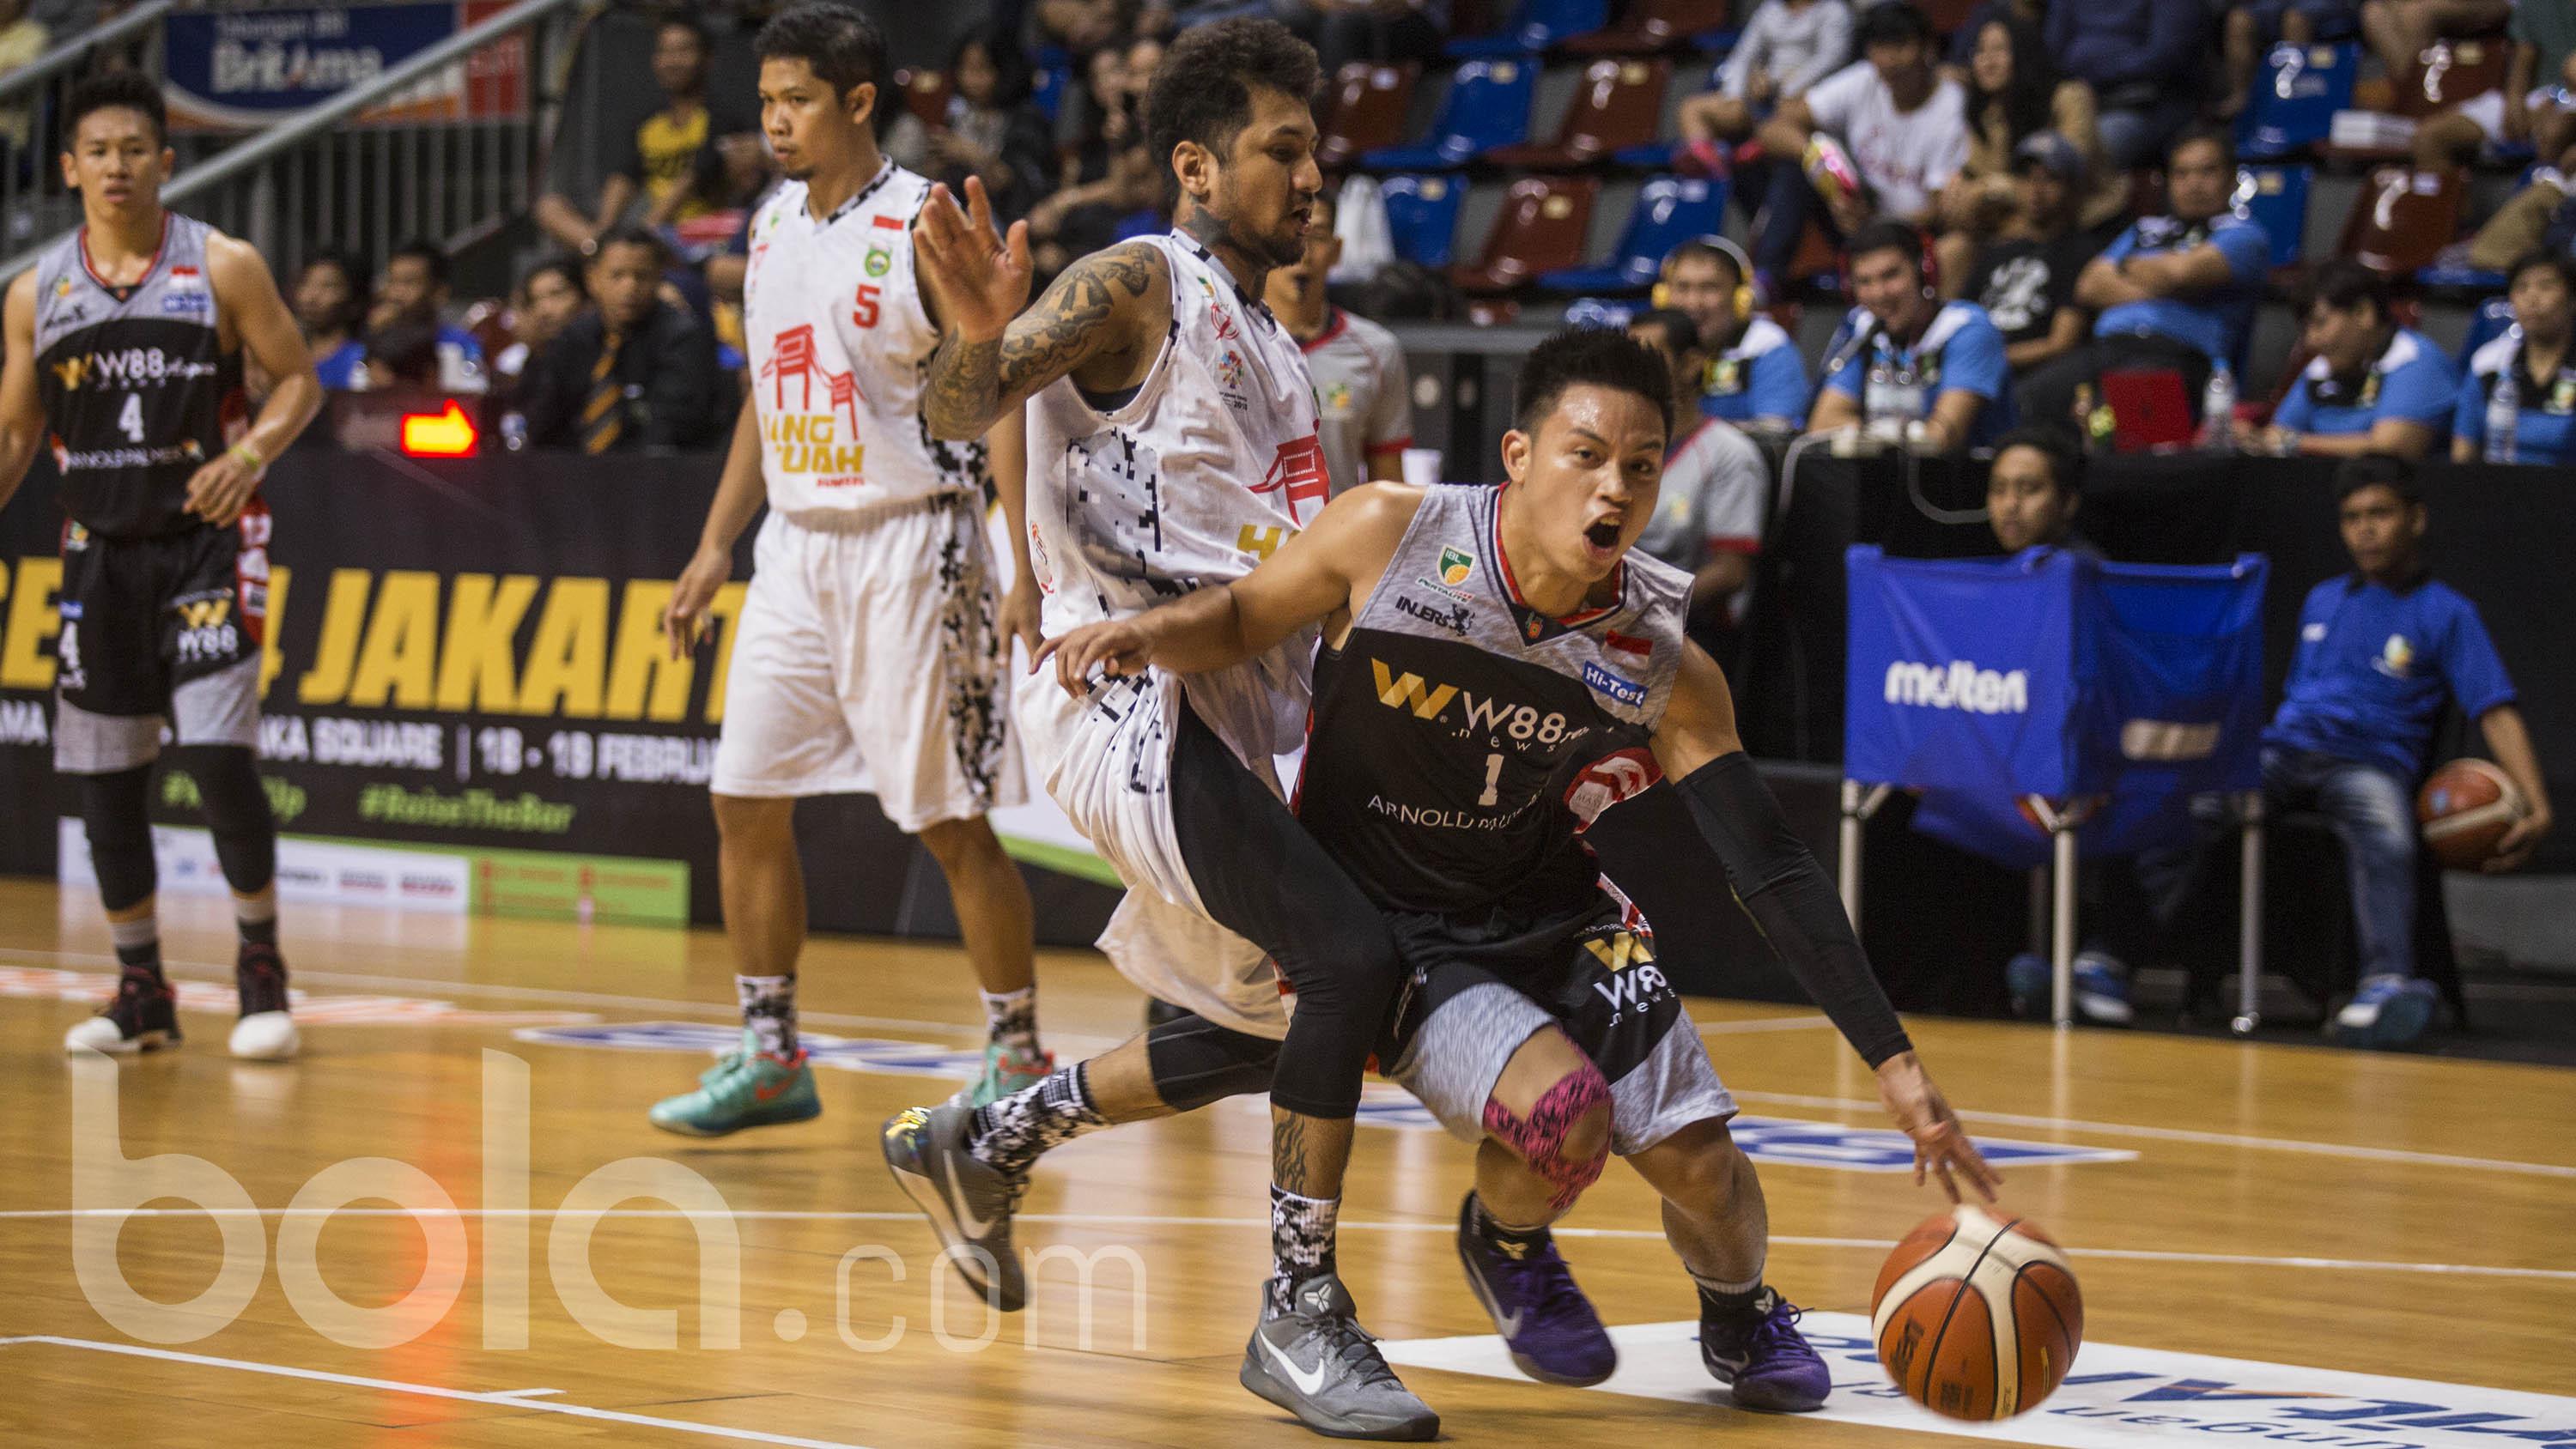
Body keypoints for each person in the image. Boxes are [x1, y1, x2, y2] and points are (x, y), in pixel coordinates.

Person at [907, 327, 2001, 1428]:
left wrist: (1897, 1068)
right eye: (1587, 454)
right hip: (1396, 916)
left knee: (1704, 1163)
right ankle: (1504, 1238)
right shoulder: (1396, 533)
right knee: (1546, 1111)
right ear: (1519, 455)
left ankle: (1738, 1306)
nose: (1614, 486)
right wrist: (1150, 631)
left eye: (1641, 463)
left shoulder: (1661, 651)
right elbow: (1245, 614)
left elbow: (1768, 862)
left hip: (1554, 907)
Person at [899, 17, 1439, 1436]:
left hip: (1236, 701)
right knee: (1351, 956)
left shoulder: (1279, 337)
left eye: (1317, 149)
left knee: (1281, 1025)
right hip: (1119, 689)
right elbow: (959, 405)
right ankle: (1299, 1312)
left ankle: (993, 1132)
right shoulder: (1141, 279)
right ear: (1197, 163)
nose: (1312, 176)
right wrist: (972, 334)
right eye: (1282, 150)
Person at [647, 3, 1048, 1134]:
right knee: (743, 799)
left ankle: (1016, 1048)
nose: (773, 121)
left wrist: (1020, 562)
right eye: (766, 101)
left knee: (949, 819)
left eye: (798, 101)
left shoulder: (925, 222)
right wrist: (715, 543)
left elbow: (997, 384)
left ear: (860, 103)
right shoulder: (769, 225)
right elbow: (765, 403)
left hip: (915, 540)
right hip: (794, 550)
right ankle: (770, 1051)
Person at [0, 71, 324, 1059]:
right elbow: (15, 432)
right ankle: (142, 987)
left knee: (219, 759)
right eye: (97, 151)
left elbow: (300, 379)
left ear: (165, 163)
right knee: (107, 786)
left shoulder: (222, 266)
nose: (116, 166)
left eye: (134, 149)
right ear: (68, 169)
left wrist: (249, 453)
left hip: (205, 545)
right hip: (97, 554)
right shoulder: (35, 290)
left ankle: (260, 966)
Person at [2176, 454, 2552, 1047]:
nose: (2365, 529)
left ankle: (2385, 984)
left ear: (2416, 519)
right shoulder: (2324, 599)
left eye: (2380, 514)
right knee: (2185, 806)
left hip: (2369, 764)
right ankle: (2122, 961)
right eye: (2352, 518)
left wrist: (2535, 801)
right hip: (2286, 753)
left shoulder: (2447, 613)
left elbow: (2494, 706)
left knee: (2387, 832)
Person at [2023, 127, 2269, 433]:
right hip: (2108, 348)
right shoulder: (2144, 228)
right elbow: (2089, 285)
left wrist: (2129, 268)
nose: (2193, 184)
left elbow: (2182, 273)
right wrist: (2170, 284)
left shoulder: (2244, 235)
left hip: (2179, 357)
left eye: (2207, 172)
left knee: (2109, 421)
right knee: (2027, 402)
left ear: (2232, 178)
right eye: (2182, 174)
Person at [1750, 1, 1969, 286]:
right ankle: (1765, 280)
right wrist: (1824, 166)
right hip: (1855, 211)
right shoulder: (1864, 79)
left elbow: (1939, 211)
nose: (1888, 60)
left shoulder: (1950, 105)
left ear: (1928, 49)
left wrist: (1875, 218)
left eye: (1900, 46)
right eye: (1880, 48)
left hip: (1912, 233)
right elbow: (1774, 127)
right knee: (1796, 167)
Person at [536, 15, 759, 257]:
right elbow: (624, 178)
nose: (673, 61)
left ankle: (616, 255)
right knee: (549, 207)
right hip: (652, 235)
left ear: (707, 59)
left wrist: (647, 230)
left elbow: (694, 177)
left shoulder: (722, 118)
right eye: (665, 52)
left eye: (683, 50)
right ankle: (600, 251)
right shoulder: (649, 122)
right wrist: (605, 230)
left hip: (699, 234)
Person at [1933, 14, 2123, 286]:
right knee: (1952, 250)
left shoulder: (2069, 97)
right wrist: (1959, 199)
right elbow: (1976, 190)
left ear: (2023, 53)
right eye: (1980, 51)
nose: (1988, 61)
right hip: (2015, 227)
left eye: (1999, 50)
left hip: (2081, 223)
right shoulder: (1988, 115)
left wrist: (1993, 190)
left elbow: (2066, 175)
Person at [1808, 220, 2016, 452]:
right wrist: (1885, 435)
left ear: (1924, 272)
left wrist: (1866, 434)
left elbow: (1941, 438)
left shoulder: (1968, 328)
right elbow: (1821, 424)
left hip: (1964, 478)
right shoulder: (1864, 329)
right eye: (1864, 281)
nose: (1879, 293)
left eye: (1891, 275)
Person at [519, 227, 726, 452]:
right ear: (593, 279)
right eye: (617, 275)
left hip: (660, 475)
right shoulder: (573, 340)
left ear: (659, 277)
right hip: (572, 476)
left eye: (641, 276)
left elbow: (671, 430)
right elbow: (542, 426)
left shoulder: (682, 338)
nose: (630, 287)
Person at [1625, 310, 1769, 628]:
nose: (1632, 372)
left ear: (1691, 364)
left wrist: (1641, 612)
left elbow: (1731, 573)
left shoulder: (1729, 453)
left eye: (1648, 357)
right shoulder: (1615, 446)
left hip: (1693, 629)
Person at [1266, 190, 1413, 497]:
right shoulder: (1227, 339)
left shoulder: (1378, 350)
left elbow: (1387, 490)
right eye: (1290, 231)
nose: (1302, 250)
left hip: (1334, 540)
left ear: (1336, 251)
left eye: (1316, 235)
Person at [2251, 260, 2458, 460]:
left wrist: (2295, 443)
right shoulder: (2321, 367)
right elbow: (2277, 434)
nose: (2311, 340)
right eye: (2305, 328)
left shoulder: (2415, 361)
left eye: (2320, 323)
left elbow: (2390, 449)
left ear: (2363, 313)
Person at [1959, 133, 2099, 378]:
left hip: (2034, 376)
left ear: (2073, 189)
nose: (2036, 189)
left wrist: (1988, 359)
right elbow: (1960, 317)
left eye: (2050, 179)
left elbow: (2061, 344)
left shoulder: (2081, 253)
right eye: (2027, 178)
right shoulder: (1997, 250)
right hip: (1976, 368)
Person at [1658, 237, 1811, 431]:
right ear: (1662, 297)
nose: (1693, 302)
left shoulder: (1767, 346)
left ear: (1741, 298)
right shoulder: (1655, 343)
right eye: (1682, 287)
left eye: (1709, 288)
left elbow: (1776, 436)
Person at [1676, 0, 1854, 158]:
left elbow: (1831, 60)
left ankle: (1765, 145)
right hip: (1762, 93)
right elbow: (1743, 56)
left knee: (1784, 117)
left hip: (1803, 94)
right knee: (1692, 108)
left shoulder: (1833, 10)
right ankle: (1712, 171)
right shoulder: (1770, 9)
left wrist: (1785, 87)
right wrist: (1735, 95)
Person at [2044, 0, 2205, 168]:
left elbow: (2168, 55)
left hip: (2141, 104)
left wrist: (2098, 76)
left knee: (2077, 157)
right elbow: (2053, 47)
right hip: (2074, 94)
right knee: (2037, 152)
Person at [2455, 251, 2576, 465]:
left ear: (2572, 299)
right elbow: (2463, 454)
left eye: (2546, 286)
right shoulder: (2488, 363)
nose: (2532, 298)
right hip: (2498, 488)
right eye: (2521, 287)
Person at [924, 27, 1055, 225]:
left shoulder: (1026, 118)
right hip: (958, 217)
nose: (970, 79)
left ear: (1004, 70)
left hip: (1015, 220)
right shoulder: (954, 113)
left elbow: (1013, 183)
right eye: (964, 69)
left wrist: (968, 153)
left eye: (981, 69)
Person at [361, 239, 488, 394]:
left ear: (439, 292)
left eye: (409, 283)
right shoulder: (368, 342)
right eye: (392, 281)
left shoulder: (462, 346)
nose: (396, 294)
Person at [292, 251, 371, 391]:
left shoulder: (363, 358)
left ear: (355, 300)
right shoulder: (286, 356)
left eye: (328, 286)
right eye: (306, 283)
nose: (310, 298)